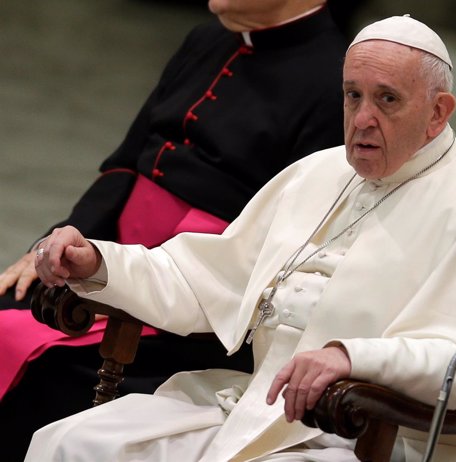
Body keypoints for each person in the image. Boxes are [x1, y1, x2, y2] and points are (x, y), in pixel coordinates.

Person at [27, 15, 456, 462]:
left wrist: (352, 358)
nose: (361, 119)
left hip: (375, 438)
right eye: (353, 95)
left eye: (388, 100)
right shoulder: (318, 173)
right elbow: (205, 279)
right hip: (259, 407)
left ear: (438, 112)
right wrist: (97, 262)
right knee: (74, 443)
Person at [0, 0, 346, 459]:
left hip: (191, 307)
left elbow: (285, 244)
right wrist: (60, 237)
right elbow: (127, 162)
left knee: (49, 370)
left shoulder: (336, 81)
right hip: (109, 255)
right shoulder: (208, 39)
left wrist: (131, 289)